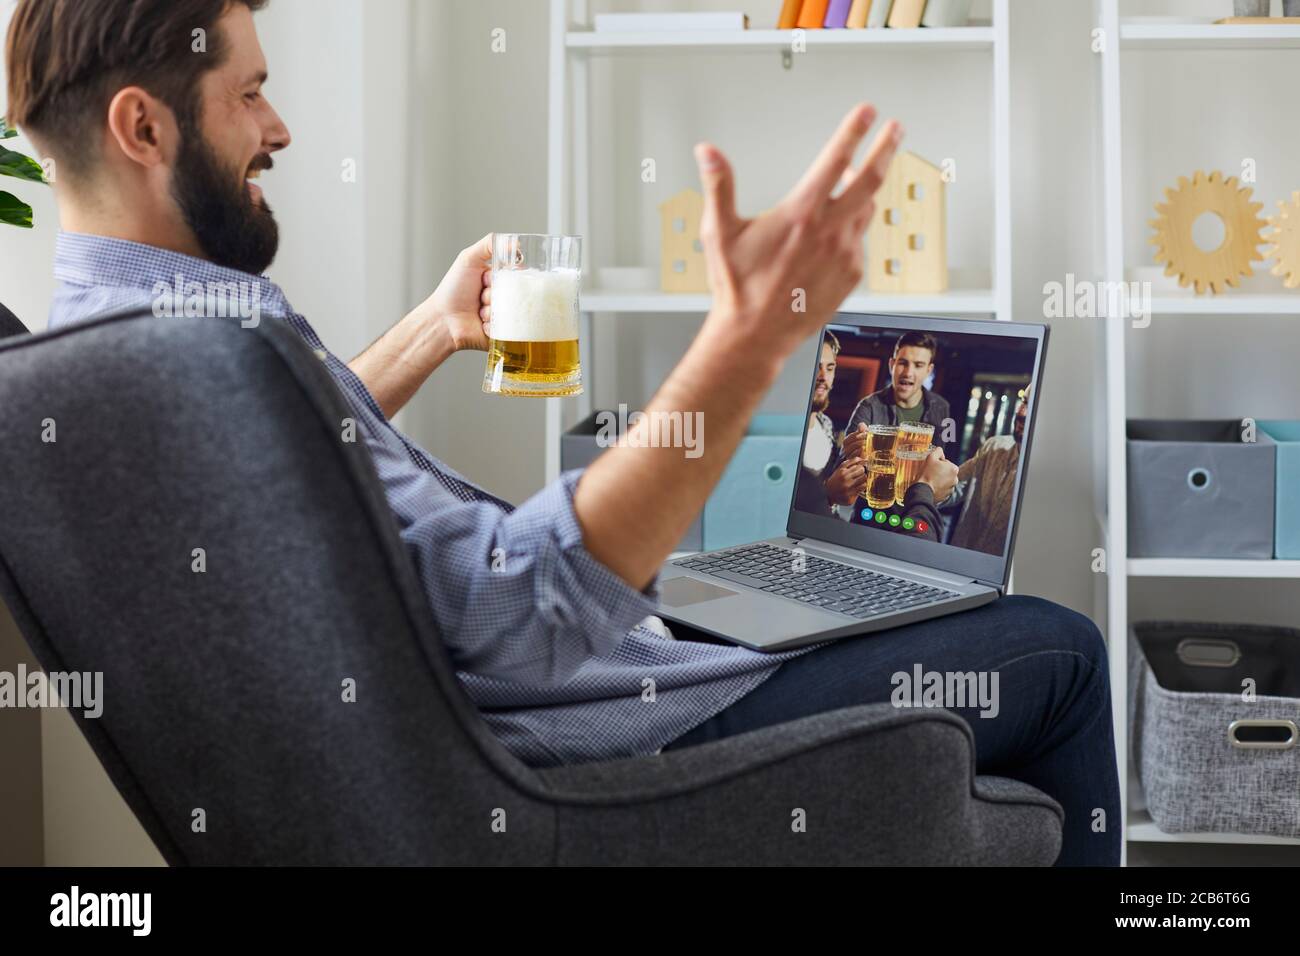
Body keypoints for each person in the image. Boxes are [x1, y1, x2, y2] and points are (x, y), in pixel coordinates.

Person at [7, 0, 1118, 864]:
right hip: (603, 742)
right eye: (248, 93)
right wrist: (743, 342)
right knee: (1060, 650)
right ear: (143, 125)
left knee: (832, 603)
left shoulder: (120, 354)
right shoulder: (210, 351)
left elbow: (289, 468)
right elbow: (520, 615)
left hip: (551, 714)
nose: (279, 126)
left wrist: (436, 332)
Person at [948, 385, 1031, 555]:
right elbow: (954, 488)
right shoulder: (993, 446)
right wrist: (927, 481)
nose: (1022, 412)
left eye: (1036, 405)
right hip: (958, 562)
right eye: (1024, 401)